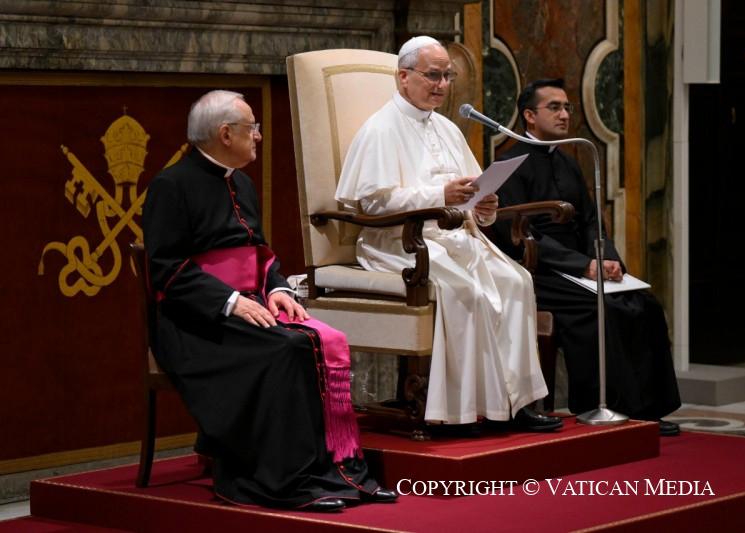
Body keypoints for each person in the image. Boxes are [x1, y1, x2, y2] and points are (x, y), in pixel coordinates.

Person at [142, 90, 397, 512]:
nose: (258, 136)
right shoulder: (171, 186)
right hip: (193, 321)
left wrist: (277, 289)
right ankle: (285, 480)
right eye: (252, 128)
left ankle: (343, 474)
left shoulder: (241, 182)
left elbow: (259, 253)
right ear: (226, 134)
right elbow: (165, 269)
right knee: (288, 348)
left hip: (249, 304)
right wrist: (229, 301)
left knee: (321, 341)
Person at [334, 36, 562, 433]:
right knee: (465, 291)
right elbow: (372, 202)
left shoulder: (447, 129)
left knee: (516, 281)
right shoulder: (380, 129)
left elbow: (470, 192)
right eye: (433, 75)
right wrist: (440, 195)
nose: (441, 85)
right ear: (403, 77)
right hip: (401, 242)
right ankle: (460, 411)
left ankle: (516, 405)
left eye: (447, 76)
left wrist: (483, 208)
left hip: (454, 238)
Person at [492, 79, 682, 436]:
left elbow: (592, 219)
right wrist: (582, 265)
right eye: (554, 107)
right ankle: (609, 406)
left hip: (582, 264)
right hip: (539, 269)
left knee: (644, 304)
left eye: (567, 107)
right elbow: (516, 233)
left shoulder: (569, 162)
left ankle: (650, 410)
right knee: (602, 307)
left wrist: (605, 258)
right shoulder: (509, 165)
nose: (565, 115)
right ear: (529, 116)